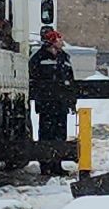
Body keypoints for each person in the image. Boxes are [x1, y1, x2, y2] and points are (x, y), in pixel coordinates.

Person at [29, 28, 76, 176]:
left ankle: (57, 165)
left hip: (61, 105)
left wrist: (71, 101)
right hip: (46, 106)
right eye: (58, 39)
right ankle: (46, 166)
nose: (61, 42)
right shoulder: (38, 58)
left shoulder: (64, 58)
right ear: (52, 42)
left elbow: (71, 80)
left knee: (60, 135)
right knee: (46, 135)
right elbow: (32, 80)